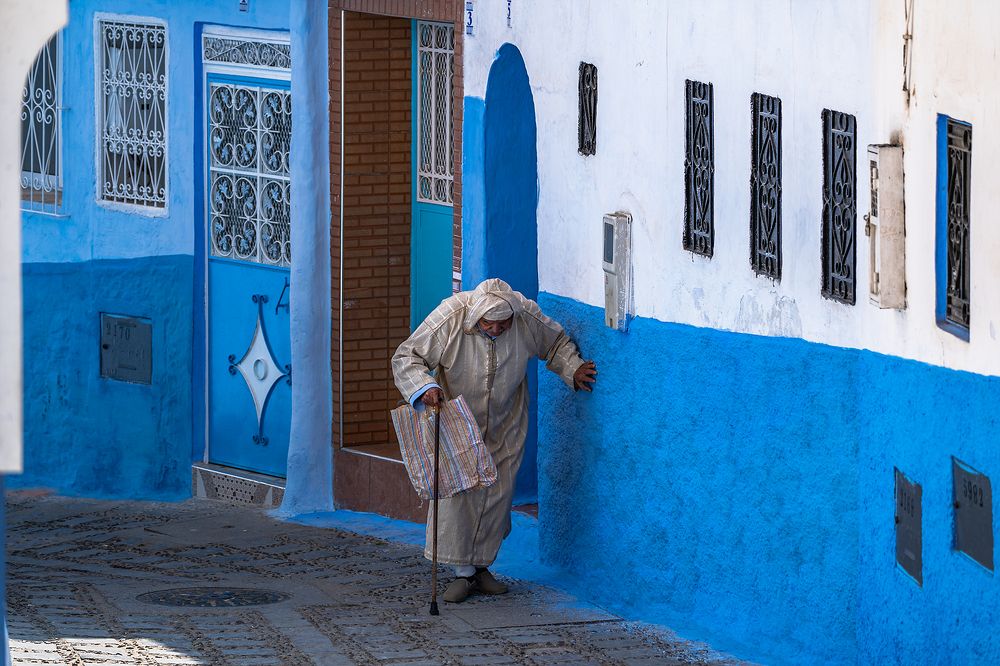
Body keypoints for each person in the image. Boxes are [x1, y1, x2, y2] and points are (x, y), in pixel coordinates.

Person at [392, 278, 597, 603]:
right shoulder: (451, 315)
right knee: (459, 494)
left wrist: (573, 369)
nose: (497, 329)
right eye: (489, 324)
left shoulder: (525, 315)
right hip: (458, 421)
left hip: (507, 420)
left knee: (498, 494)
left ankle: (482, 566)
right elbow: (407, 357)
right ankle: (463, 573)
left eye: (503, 324)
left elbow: (554, 343)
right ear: (476, 319)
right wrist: (424, 386)